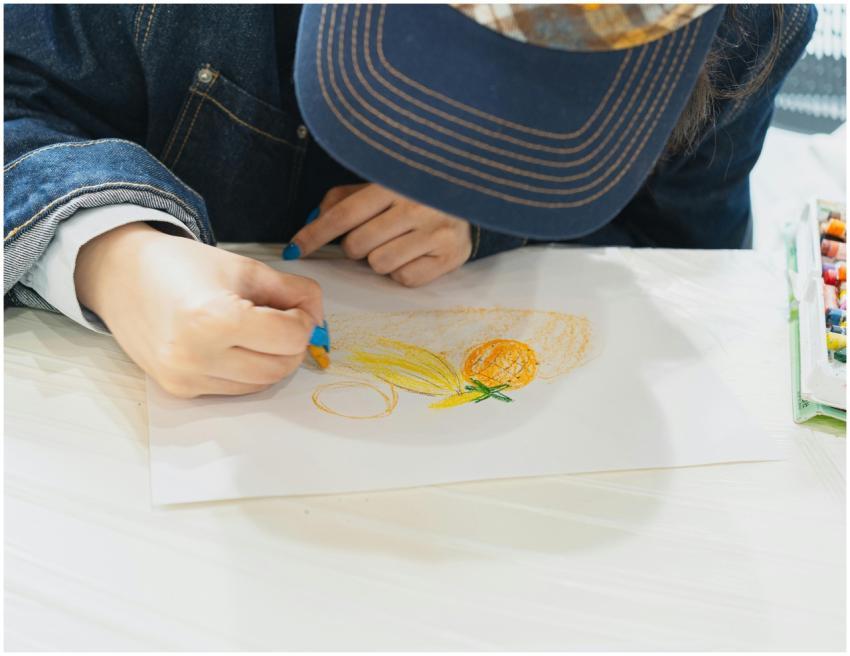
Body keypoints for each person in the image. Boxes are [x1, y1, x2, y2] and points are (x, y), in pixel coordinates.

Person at [4, 4, 815, 398]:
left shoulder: (745, 24)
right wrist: (113, 253)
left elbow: (687, 258)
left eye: (549, 106)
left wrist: (491, 215)